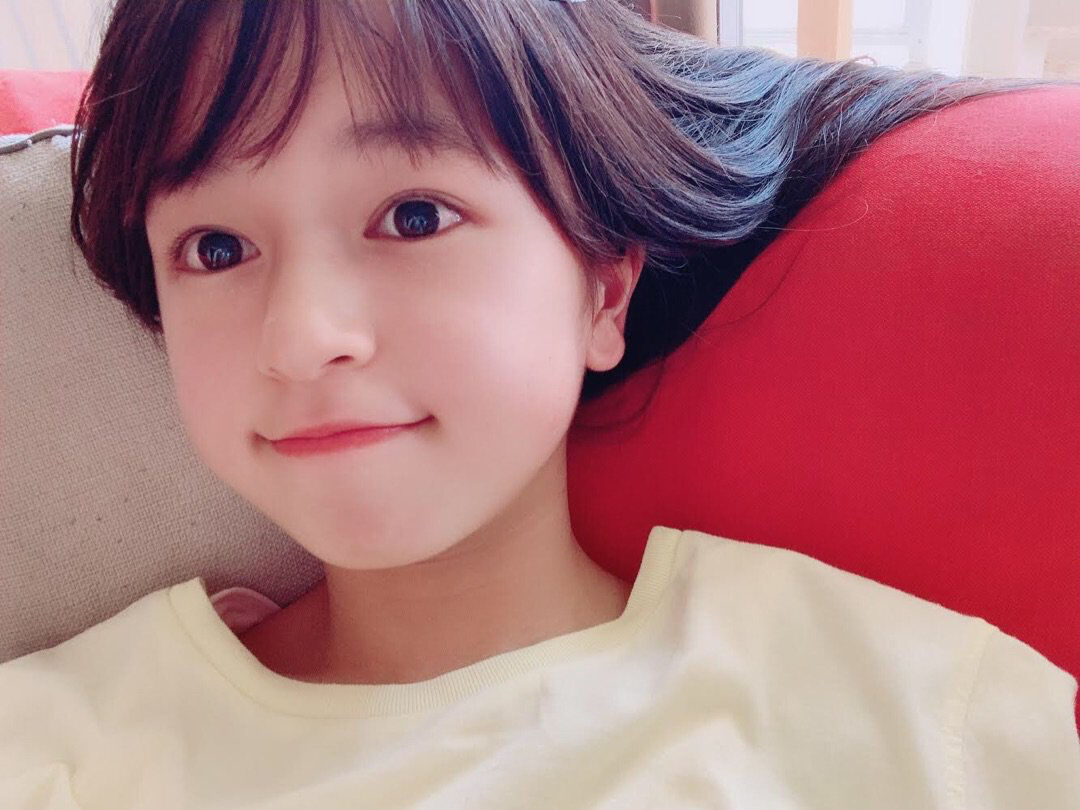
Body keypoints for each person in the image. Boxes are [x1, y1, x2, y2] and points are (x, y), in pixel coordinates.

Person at [2, 0, 1078, 806]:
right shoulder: (54, 744)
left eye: (414, 216)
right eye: (216, 248)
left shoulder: (900, 707)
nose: (301, 336)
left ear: (602, 291)